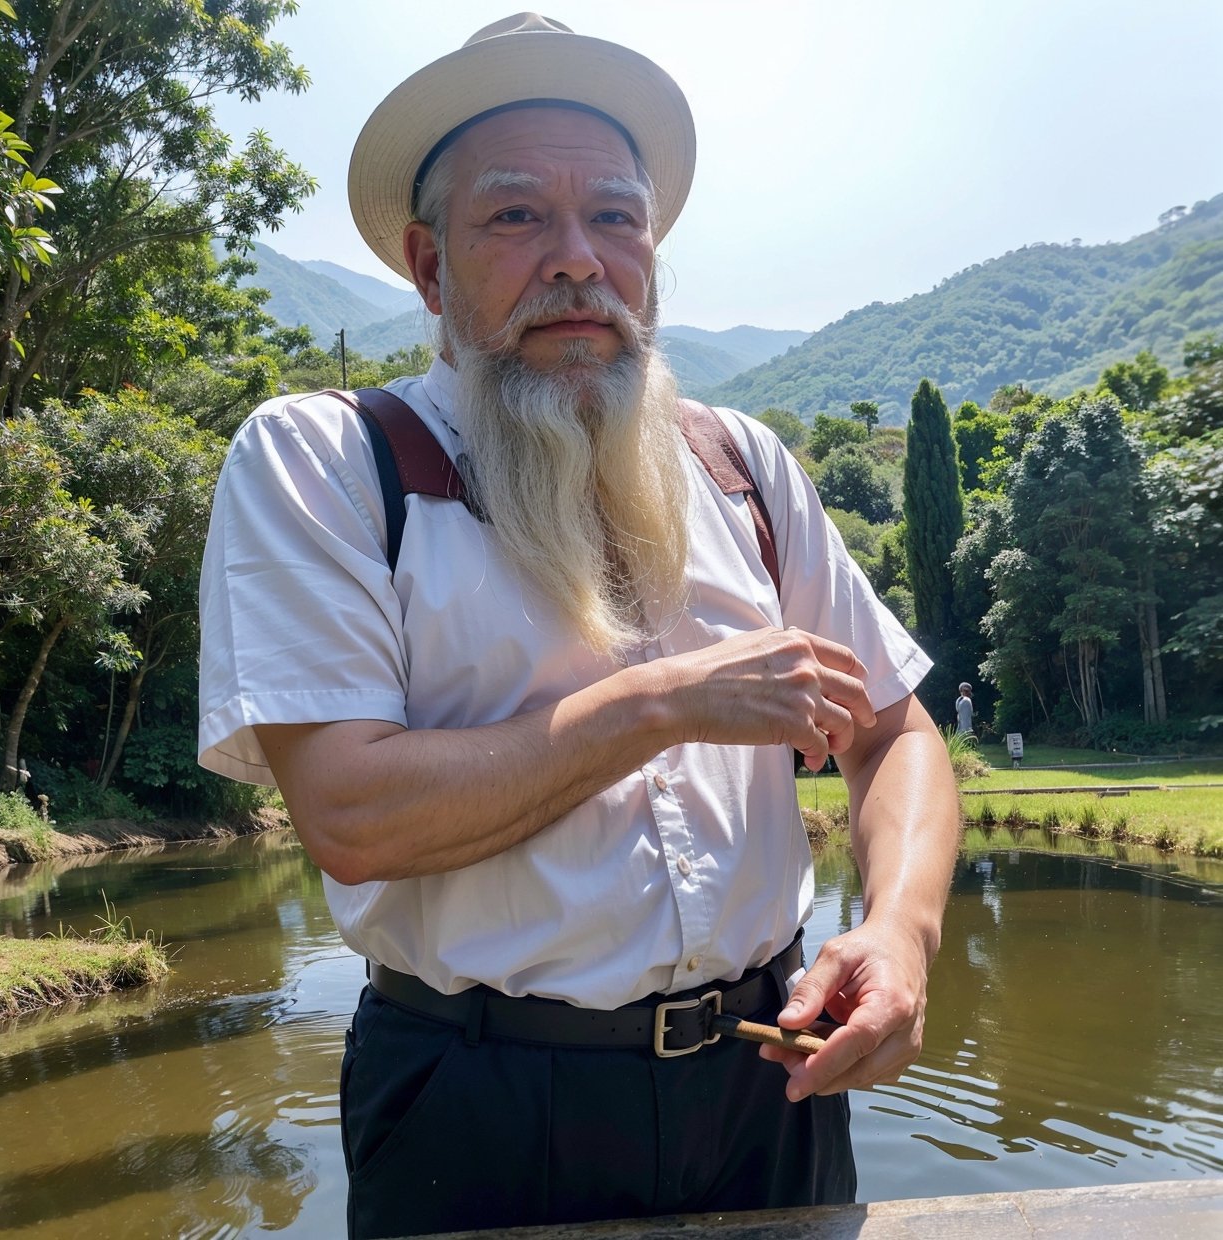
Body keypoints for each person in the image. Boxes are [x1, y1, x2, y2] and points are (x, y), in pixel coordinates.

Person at [198, 14, 960, 1238]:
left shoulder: (739, 463)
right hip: (478, 1097)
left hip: (771, 1079)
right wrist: (665, 702)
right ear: (428, 265)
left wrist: (900, 931)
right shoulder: (331, 460)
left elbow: (894, 732)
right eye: (515, 217)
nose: (577, 260)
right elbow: (349, 812)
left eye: (615, 218)